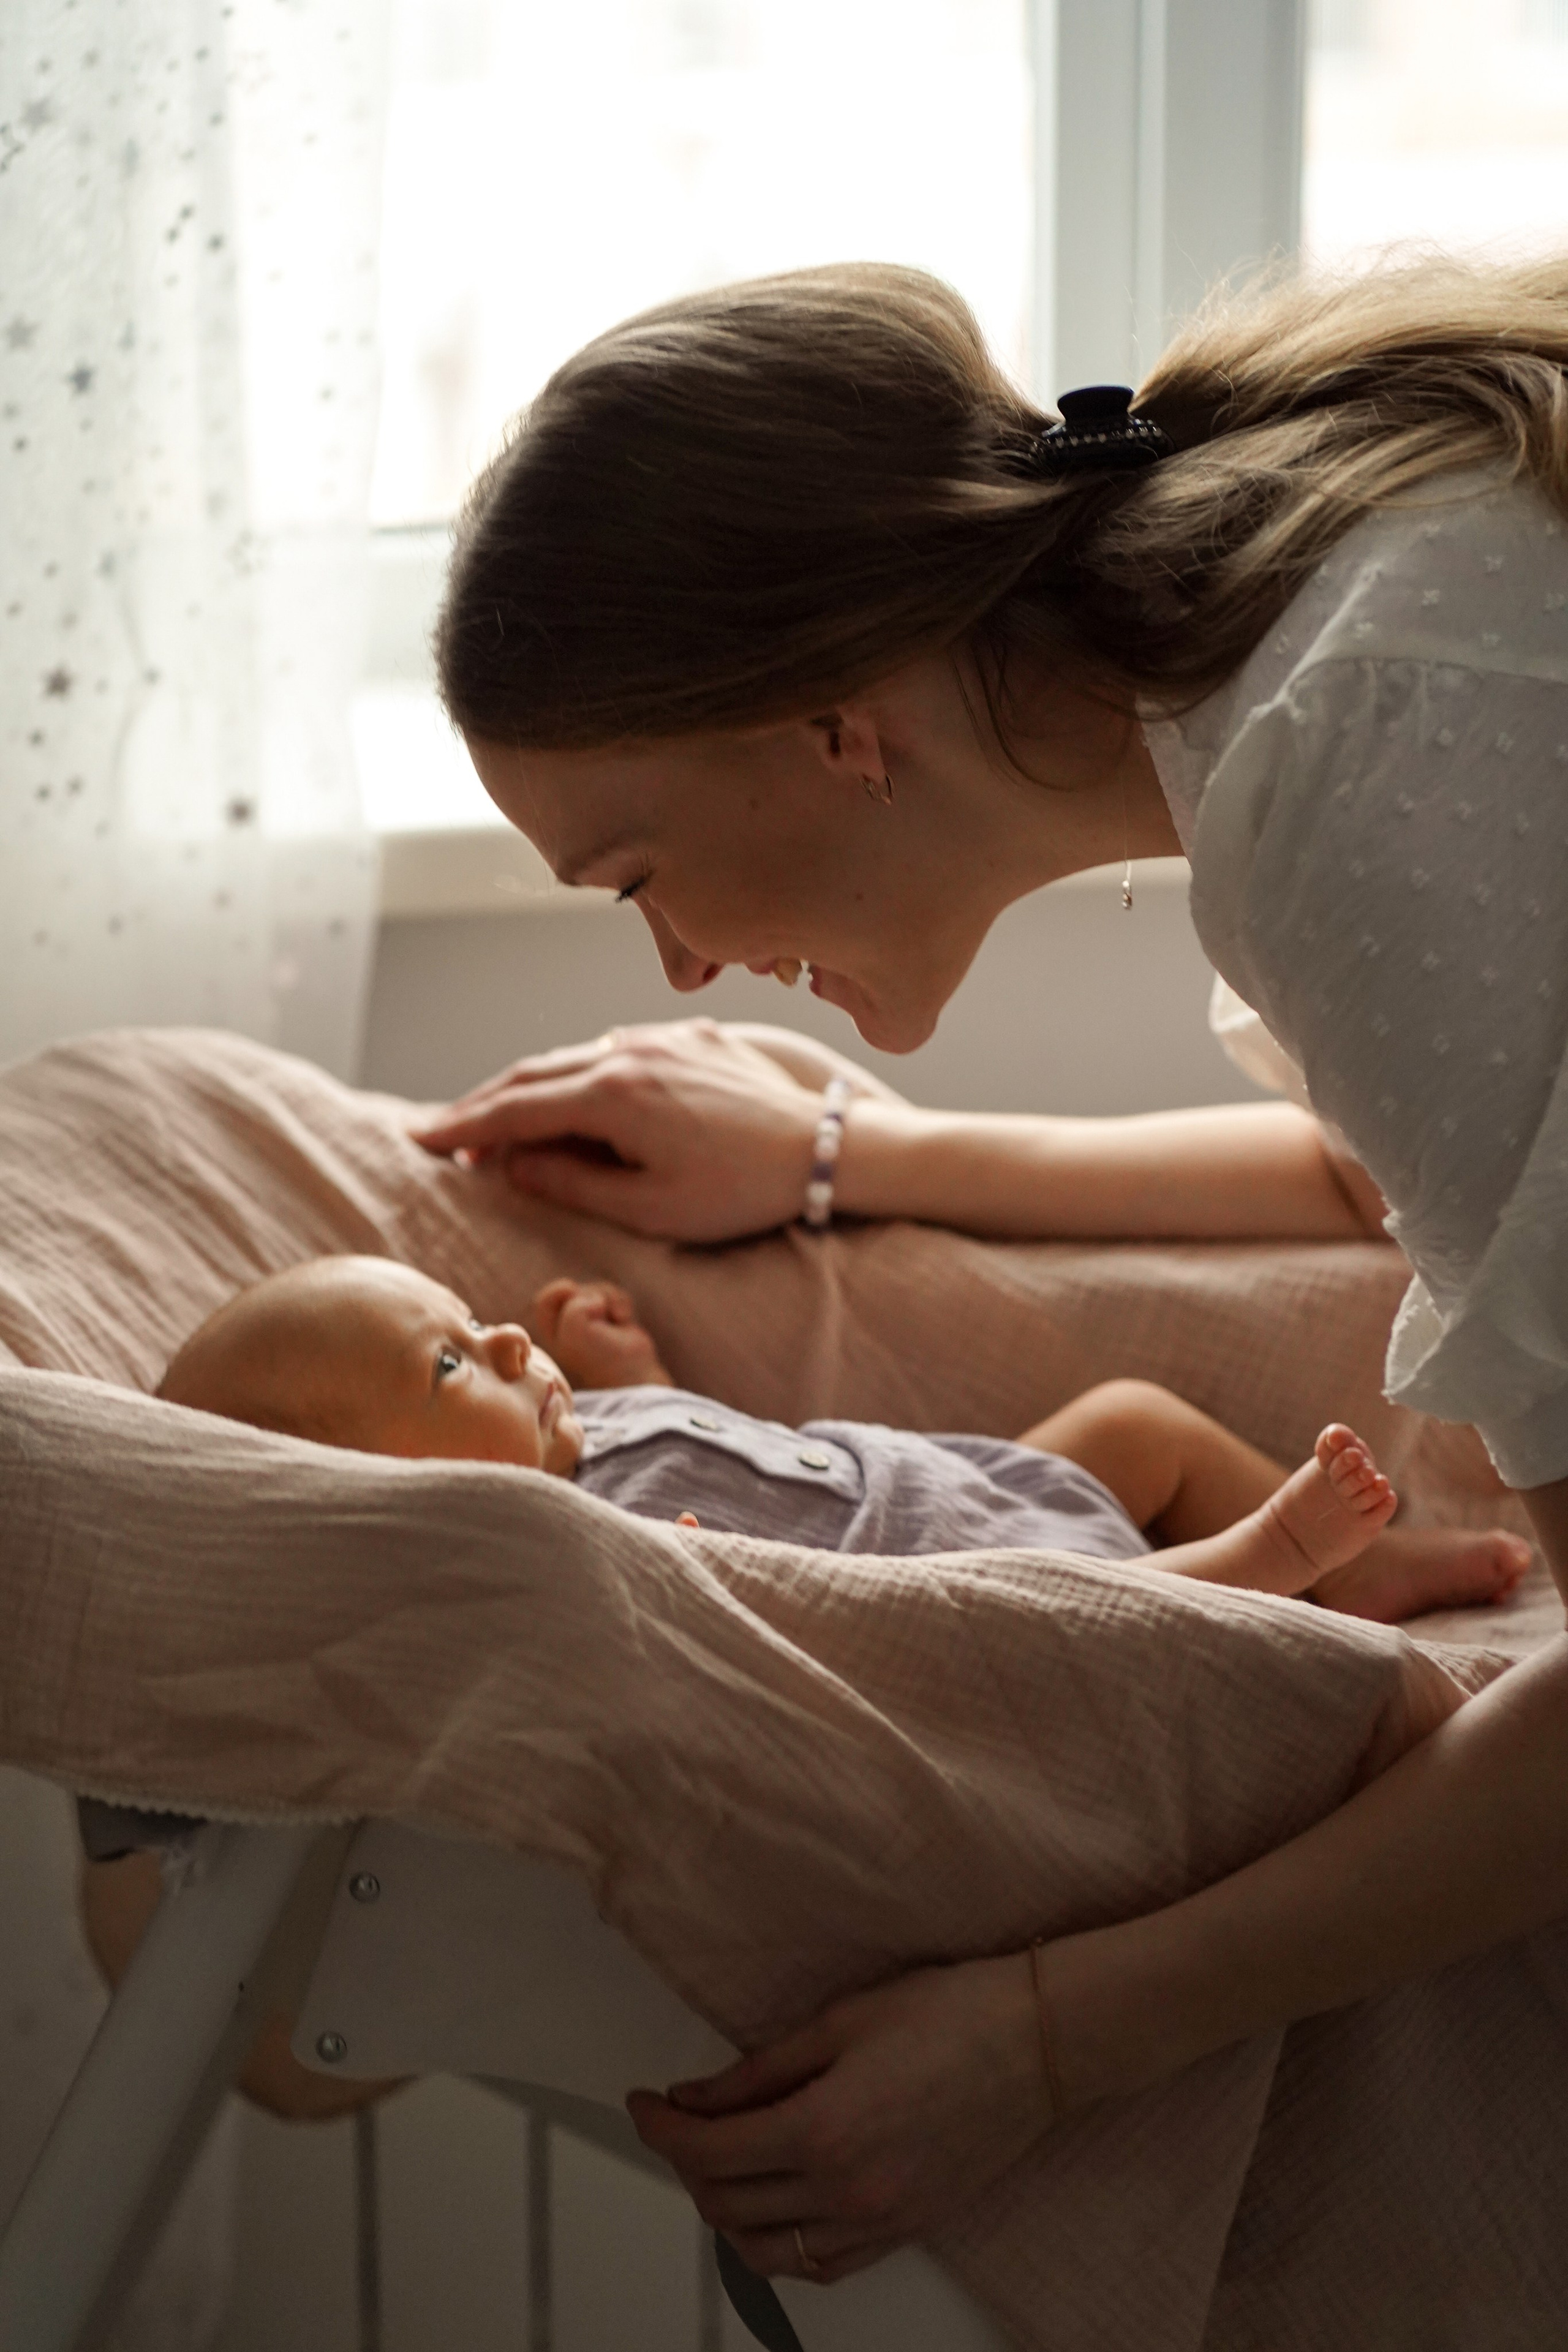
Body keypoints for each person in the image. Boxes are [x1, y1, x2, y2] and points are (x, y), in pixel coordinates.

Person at [407, 254, 1568, 2285]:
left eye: (635, 868)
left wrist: (1043, 2043)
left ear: (834, 725)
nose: (673, 965)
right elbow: (1412, 1161)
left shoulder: (1359, 752)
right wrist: (851, 1157)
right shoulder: (1324, 635)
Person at [82, 1251, 1488, 2122]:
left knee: (1133, 1424)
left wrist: (640, 1374)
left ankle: (1368, 1570)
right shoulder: (557, 1560)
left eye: (469, 1318)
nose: (510, 1343)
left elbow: (719, 1447)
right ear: (400, 1513)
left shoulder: (574, 1433)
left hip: (971, 1483)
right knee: (1096, 1610)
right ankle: (1268, 1561)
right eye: (449, 1361)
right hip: (964, 1597)